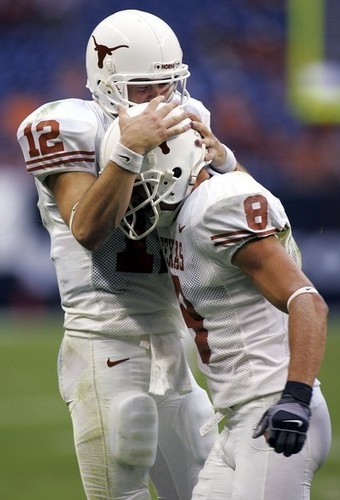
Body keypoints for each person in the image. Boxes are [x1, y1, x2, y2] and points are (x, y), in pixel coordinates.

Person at [16, 9, 243, 500]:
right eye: (143, 88)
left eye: (169, 86)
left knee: (211, 485)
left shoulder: (190, 118)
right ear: (105, 81)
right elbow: (89, 230)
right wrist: (127, 154)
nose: (159, 101)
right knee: (123, 481)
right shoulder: (70, 124)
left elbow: (236, 216)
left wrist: (224, 164)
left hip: (170, 338)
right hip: (103, 336)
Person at [102, 103, 332, 499]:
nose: (131, 192)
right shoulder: (193, 209)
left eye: (137, 176)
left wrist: (295, 398)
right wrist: (226, 159)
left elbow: (308, 301)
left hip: (274, 410)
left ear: (170, 165)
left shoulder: (217, 205)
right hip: (239, 417)